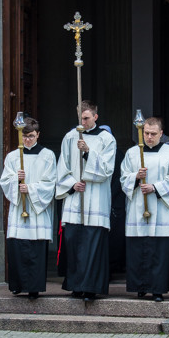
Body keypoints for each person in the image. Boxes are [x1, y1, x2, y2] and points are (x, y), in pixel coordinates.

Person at [56, 100, 116, 301]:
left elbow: (107, 170)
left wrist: (89, 152)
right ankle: (76, 285)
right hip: (76, 199)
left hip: (96, 199)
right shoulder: (70, 137)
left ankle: (91, 287)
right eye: (80, 118)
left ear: (96, 117)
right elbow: (62, 167)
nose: (83, 122)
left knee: (93, 245)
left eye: (87, 118)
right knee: (74, 243)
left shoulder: (107, 139)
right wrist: (72, 183)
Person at [120, 117, 169, 302]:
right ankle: (140, 287)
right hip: (138, 209)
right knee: (139, 250)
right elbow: (123, 178)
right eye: (146, 133)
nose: (149, 137)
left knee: (159, 251)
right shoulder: (133, 153)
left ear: (161, 134)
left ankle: (158, 289)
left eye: (153, 134)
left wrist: (155, 187)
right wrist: (135, 176)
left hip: (161, 211)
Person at [0, 117, 56, 299]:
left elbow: (50, 183)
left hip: (36, 209)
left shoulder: (47, 155)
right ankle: (17, 285)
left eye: (31, 136)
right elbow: (5, 181)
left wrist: (30, 188)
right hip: (19, 210)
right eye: (25, 136)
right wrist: (16, 180)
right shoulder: (13, 157)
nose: (28, 140)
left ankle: (34, 287)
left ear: (38, 135)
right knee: (18, 248)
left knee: (35, 250)